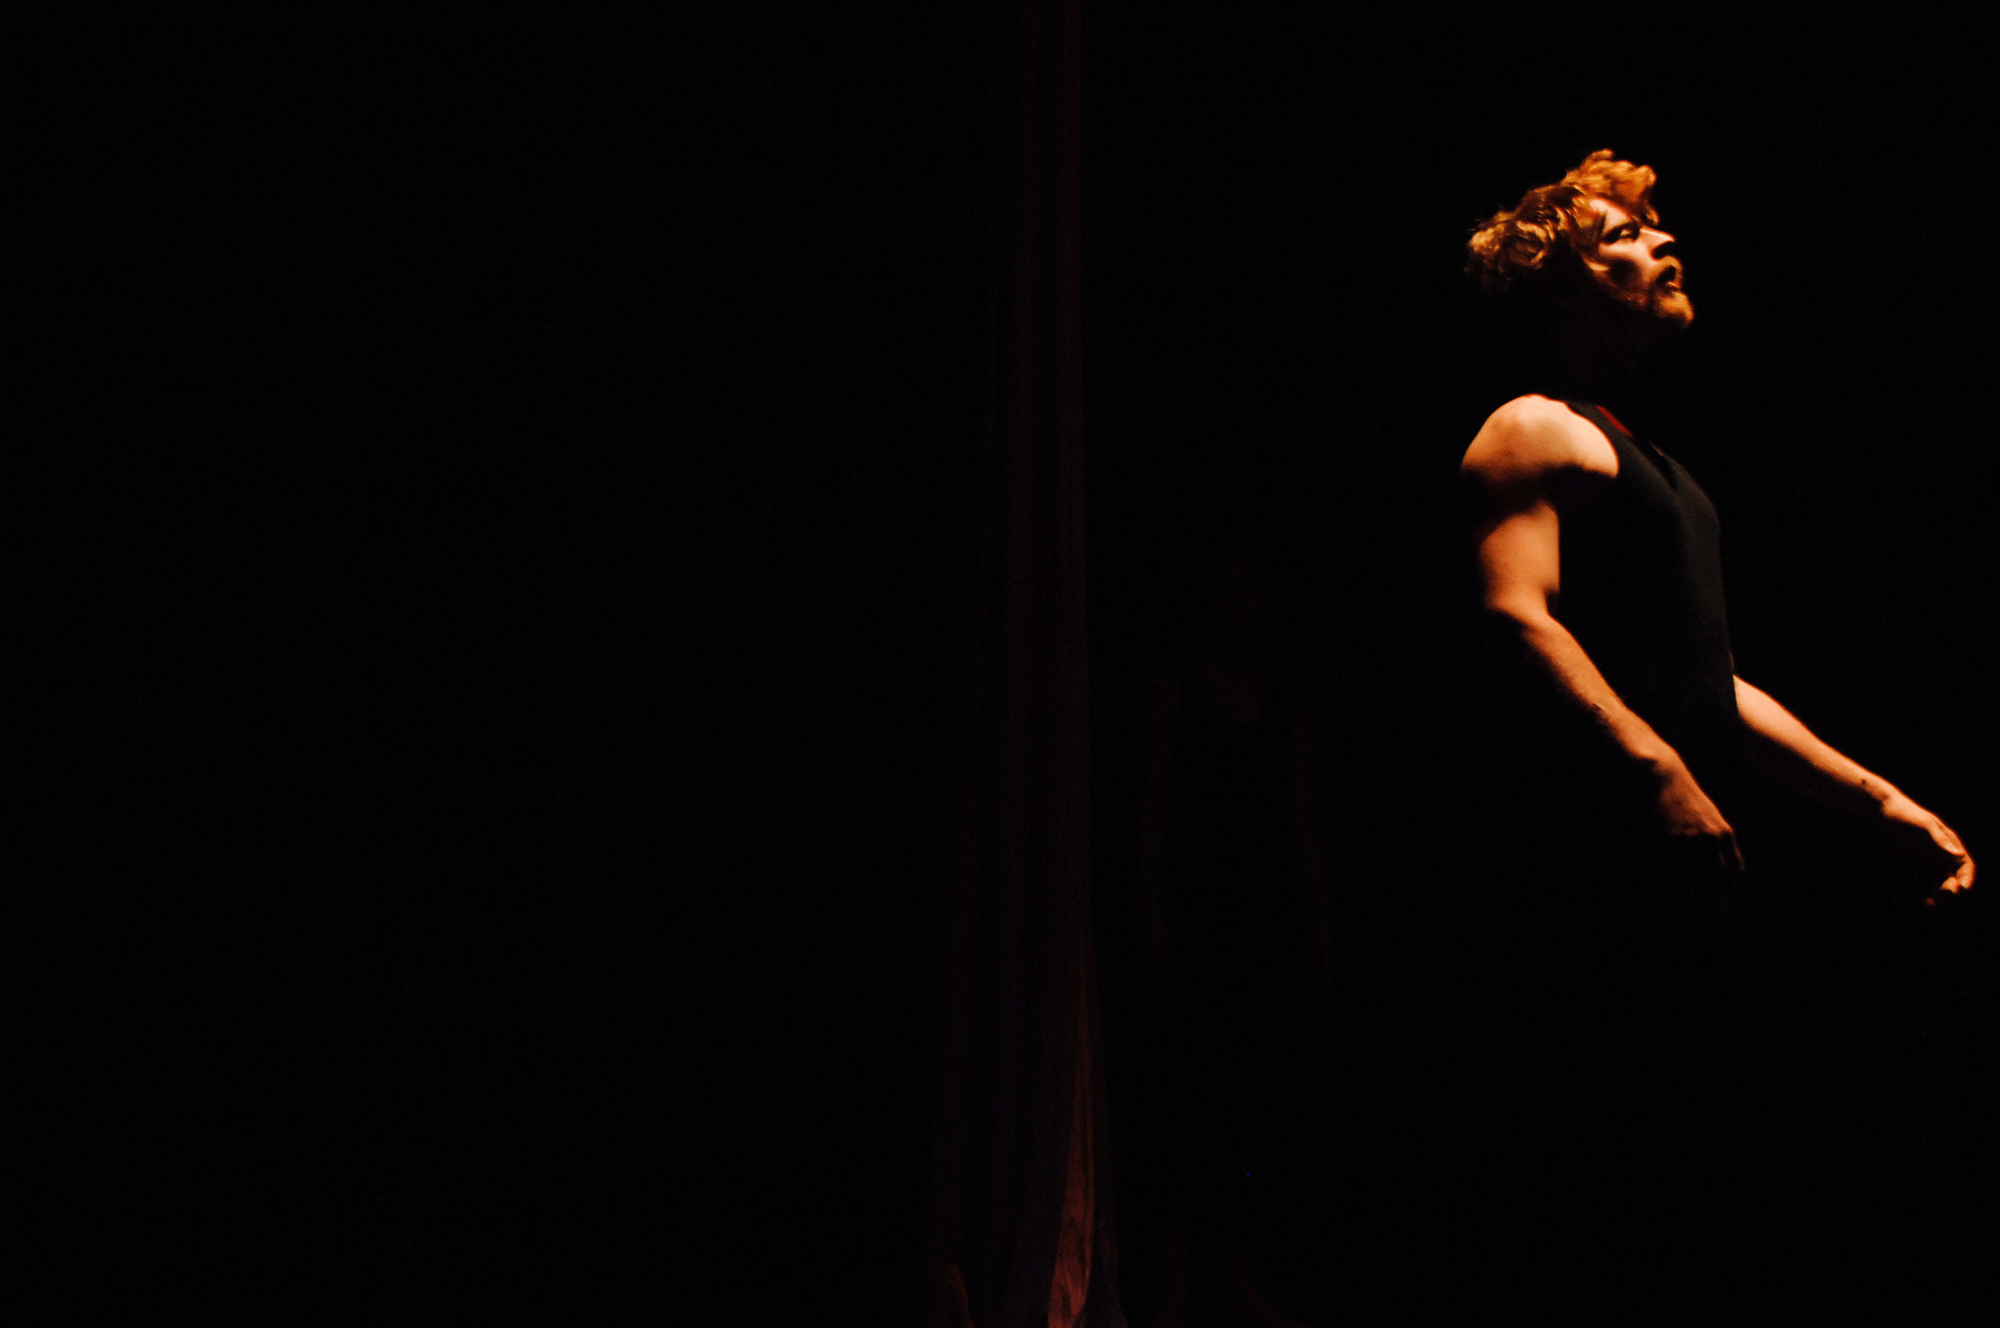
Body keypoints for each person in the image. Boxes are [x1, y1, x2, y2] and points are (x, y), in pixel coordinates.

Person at [1451, 149, 1975, 1305]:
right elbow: (1511, 613)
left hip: (1674, 874)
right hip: (1580, 875)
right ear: (1559, 288)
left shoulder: (1655, 465)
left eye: (1653, 228)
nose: (1657, 243)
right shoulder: (1530, 428)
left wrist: (1878, 800)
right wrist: (1652, 770)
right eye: (1617, 239)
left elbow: (1710, 680)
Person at [1131, 550, 1333, 1328]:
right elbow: (1149, 806)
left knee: (1254, 1103)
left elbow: (1300, 809)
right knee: (1188, 1097)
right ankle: (1177, 1284)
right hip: (1199, 914)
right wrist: (1149, 908)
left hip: (1266, 916)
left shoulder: (1284, 700)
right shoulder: (1173, 692)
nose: (1236, 603)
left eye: (1248, 586)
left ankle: (1242, 1280)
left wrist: (1318, 916)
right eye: (1222, 587)